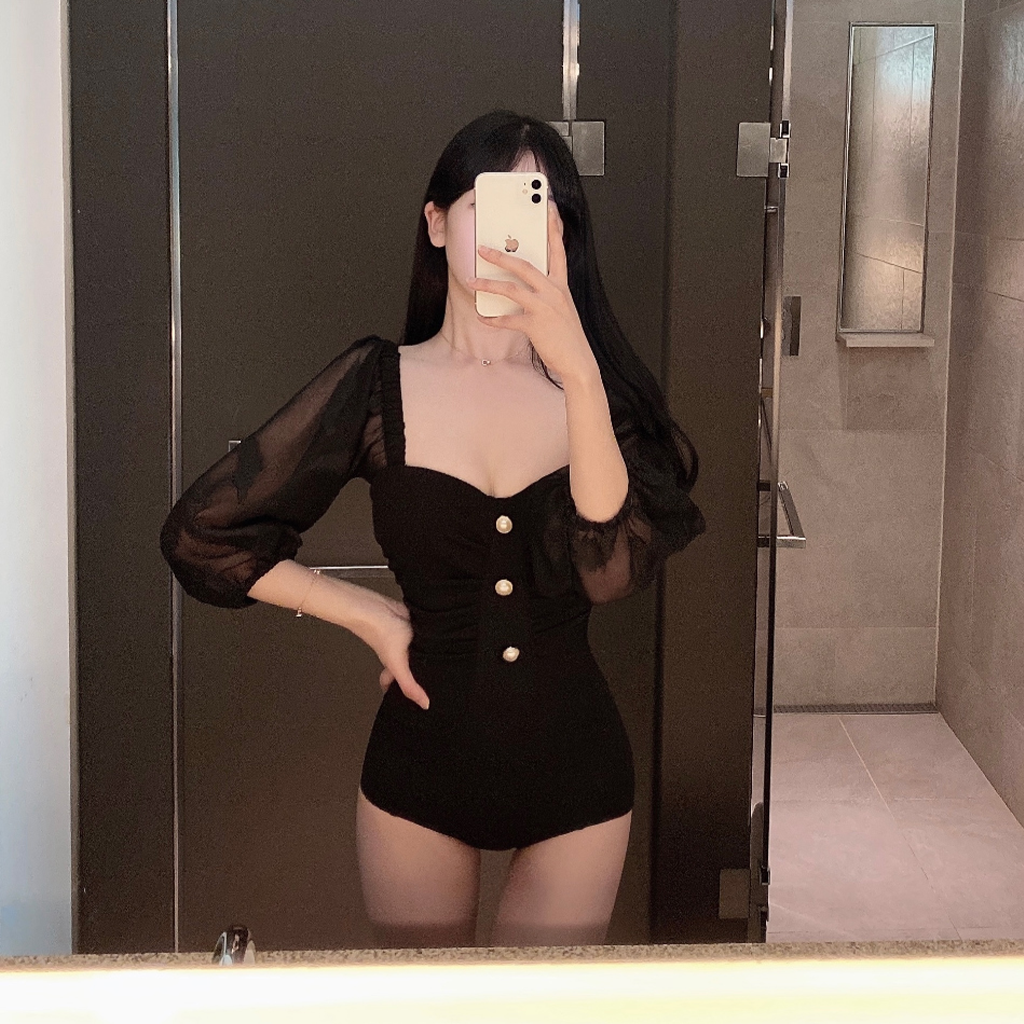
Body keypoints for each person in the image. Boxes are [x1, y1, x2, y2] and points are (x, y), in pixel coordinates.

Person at [160, 109, 706, 949]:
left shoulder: (596, 395)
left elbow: (611, 569)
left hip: (577, 772)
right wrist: (365, 614)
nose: (518, 231)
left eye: (543, 208)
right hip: (419, 769)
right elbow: (203, 535)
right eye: (493, 203)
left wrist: (579, 371)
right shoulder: (377, 383)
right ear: (438, 221)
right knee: (421, 1002)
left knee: (542, 1008)